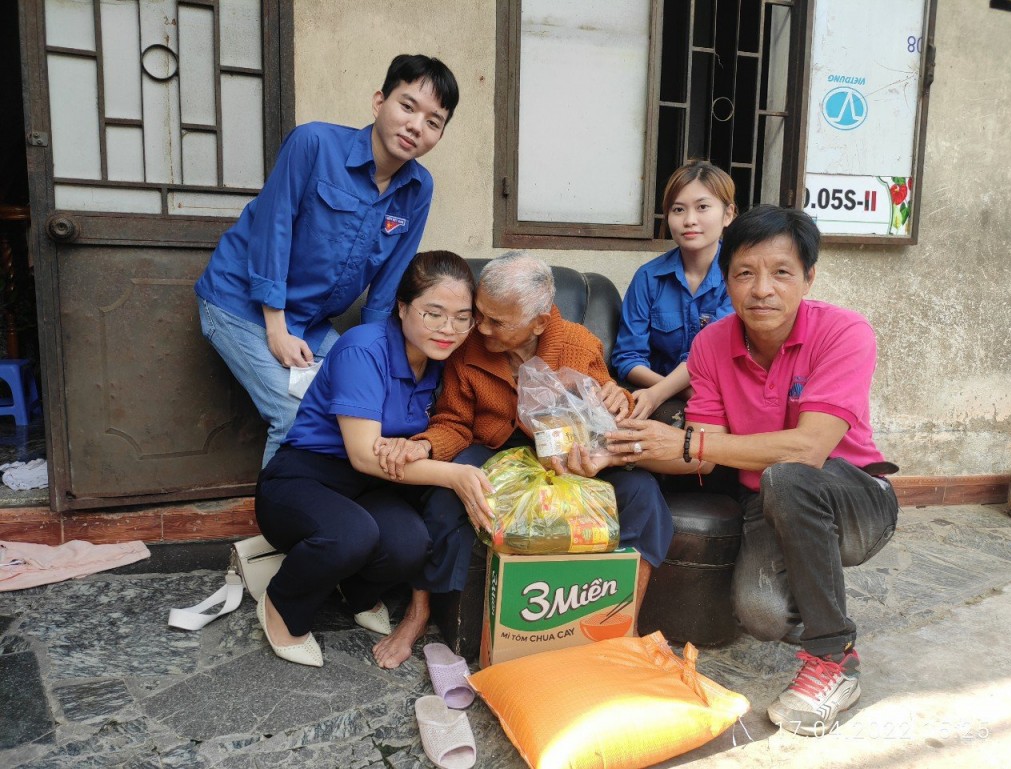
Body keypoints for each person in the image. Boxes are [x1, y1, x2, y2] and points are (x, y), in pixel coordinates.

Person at [589, 205, 899, 736]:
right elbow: (701, 453)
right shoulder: (712, 344)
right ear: (725, 280)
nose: (762, 289)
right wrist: (614, 451)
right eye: (744, 273)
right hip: (768, 503)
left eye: (781, 272)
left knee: (788, 475)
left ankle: (834, 658)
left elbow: (807, 450)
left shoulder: (845, 332)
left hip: (855, 494)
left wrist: (689, 440)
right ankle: (814, 591)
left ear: (809, 277)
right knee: (761, 615)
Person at [372, 252, 674, 668]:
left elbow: (605, 403)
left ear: (539, 322)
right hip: (493, 445)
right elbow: (454, 423)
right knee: (444, 497)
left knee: (642, 494)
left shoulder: (578, 344)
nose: (481, 327)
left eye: (497, 322)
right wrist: (425, 445)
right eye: (479, 314)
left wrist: (614, 400)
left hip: (566, 449)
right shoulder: (470, 348)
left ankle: (627, 624)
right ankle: (419, 611)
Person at [195, 54, 460, 466]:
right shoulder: (313, 144)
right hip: (241, 304)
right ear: (379, 102)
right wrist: (276, 326)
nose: (415, 126)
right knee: (294, 414)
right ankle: (278, 524)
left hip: (313, 325)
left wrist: (378, 358)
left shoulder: (419, 188)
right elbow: (272, 229)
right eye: (407, 106)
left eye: (433, 121)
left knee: (358, 406)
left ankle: (328, 515)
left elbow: (392, 277)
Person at [253, 251, 490, 670]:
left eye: (461, 317)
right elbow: (363, 455)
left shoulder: (444, 360)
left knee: (410, 543)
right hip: (306, 478)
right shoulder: (364, 349)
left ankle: (353, 591)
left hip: (376, 486)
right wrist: (455, 475)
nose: (448, 329)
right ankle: (281, 605)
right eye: (433, 313)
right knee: (351, 535)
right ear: (402, 308)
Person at [611, 160, 737, 423]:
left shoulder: (739, 276)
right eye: (678, 209)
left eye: (702, 207)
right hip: (662, 401)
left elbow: (712, 355)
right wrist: (675, 391)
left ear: (728, 214)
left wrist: (658, 392)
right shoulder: (648, 277)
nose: (689, 220)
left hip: (725, 398)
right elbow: (627, 357)